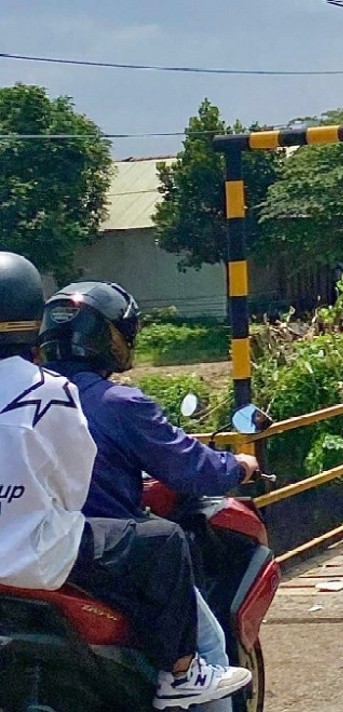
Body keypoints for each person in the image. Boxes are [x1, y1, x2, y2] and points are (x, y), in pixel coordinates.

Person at [0, 254, 250, 711]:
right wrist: (238, 467)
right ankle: (183, 675)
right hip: (72, 557)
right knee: (203, 628)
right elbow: (76, 481)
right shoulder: (74, 396)